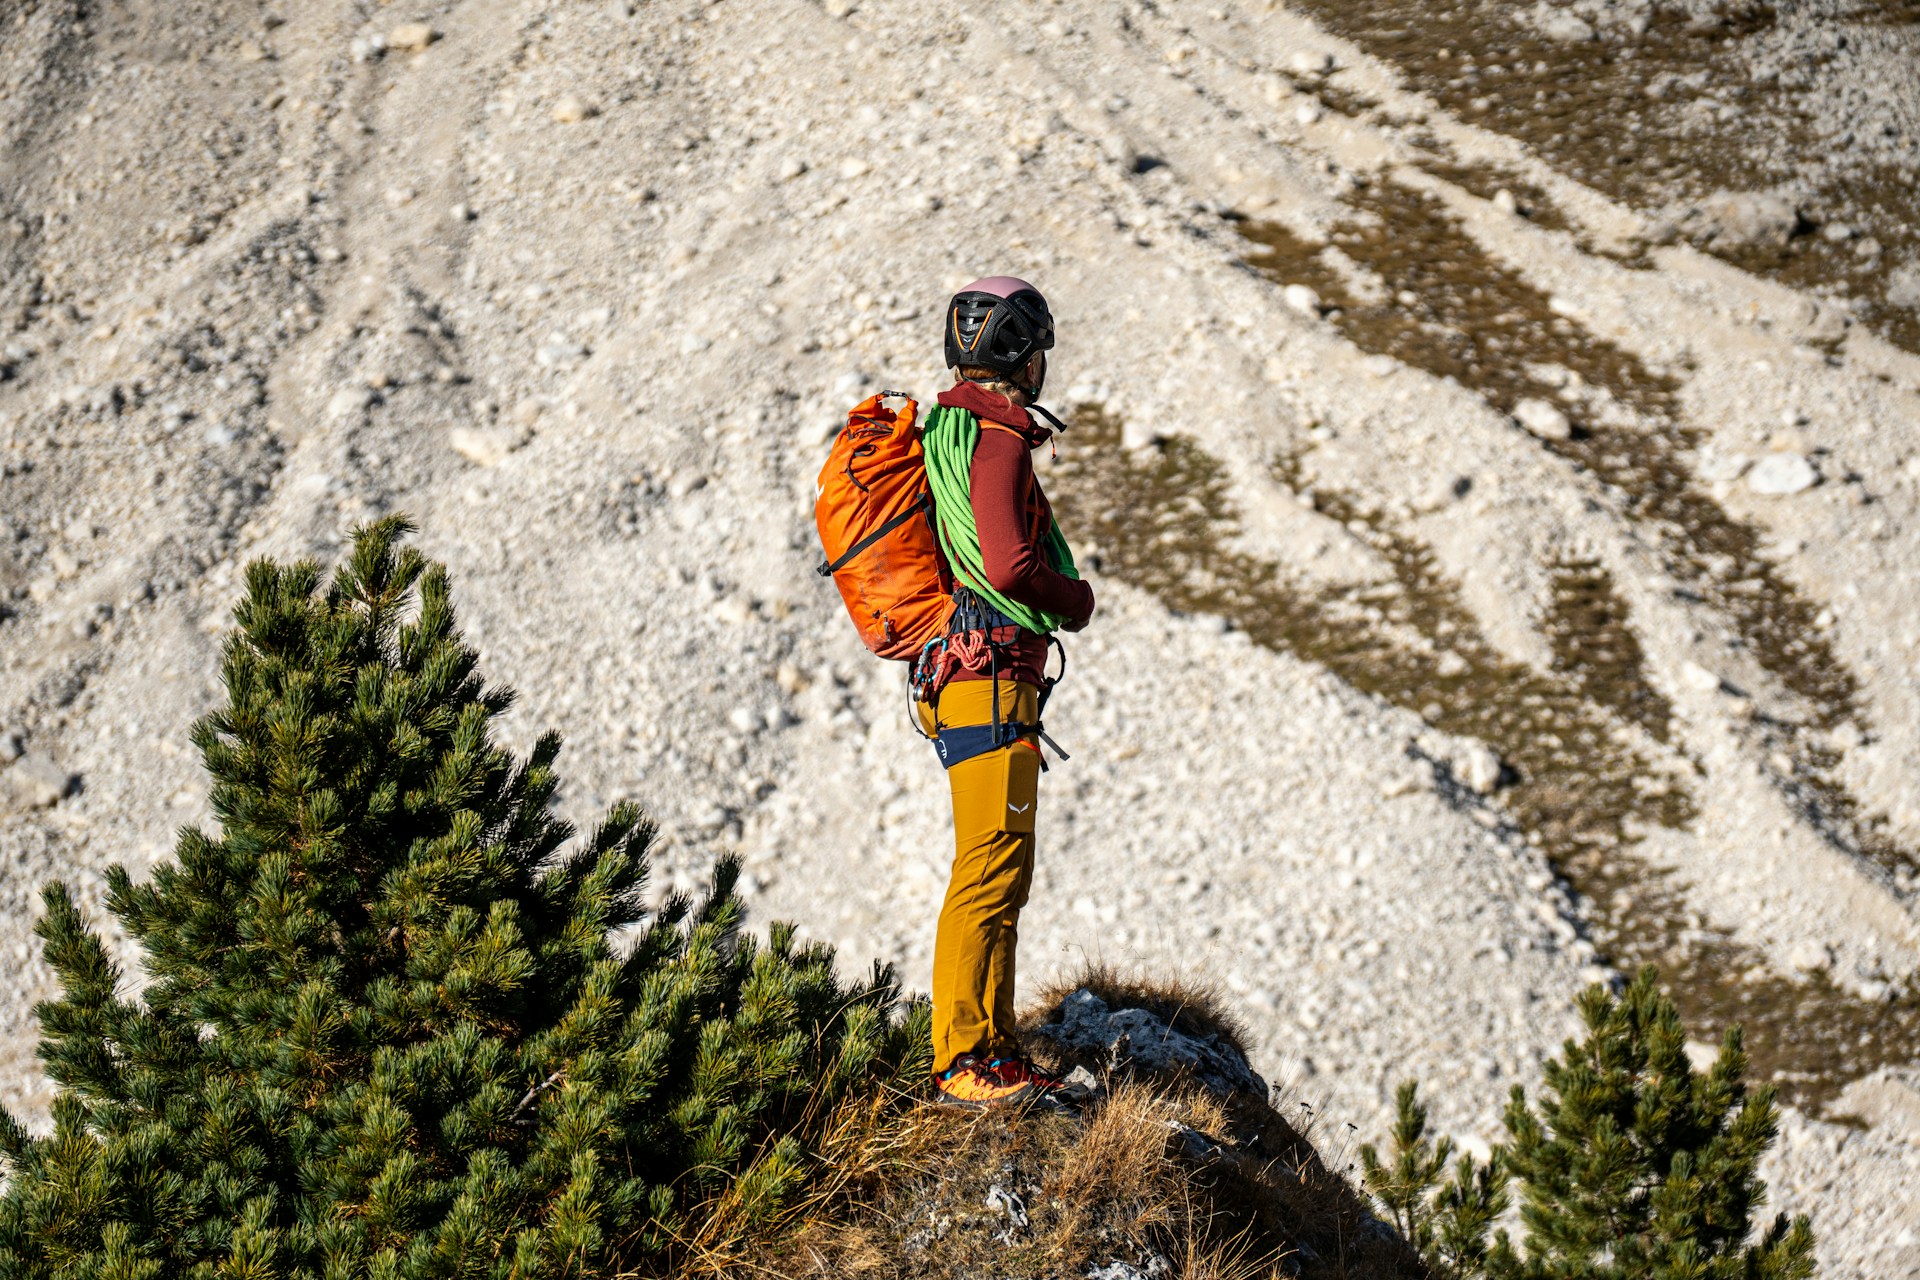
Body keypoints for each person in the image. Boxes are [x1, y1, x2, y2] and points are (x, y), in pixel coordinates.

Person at [911, 277, 1096, 1109]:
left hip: (968, 672)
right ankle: (963, 1059)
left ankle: (991, 1045)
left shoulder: (946, 429)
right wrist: (1075, 598)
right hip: (989, 674)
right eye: (1040, 349)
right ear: (1021, 352)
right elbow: (1008, 563)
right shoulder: (997, 440)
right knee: (989, 868)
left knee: (997, 866)